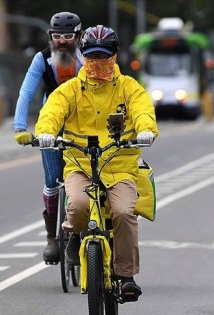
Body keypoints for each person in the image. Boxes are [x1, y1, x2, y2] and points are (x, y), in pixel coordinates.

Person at [34, 25, 159, 300]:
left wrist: (146, 129)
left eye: (104, 56)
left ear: (115, 56)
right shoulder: (70, 90)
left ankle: (127, 275)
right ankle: (75, 236)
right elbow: (52, 111)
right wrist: (45, 132)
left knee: (124, 212)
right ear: (83, 56)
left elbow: (142, 110)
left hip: (119, 168)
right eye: (92, 57)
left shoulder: (129, 88)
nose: (98, 63)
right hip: (80, 165)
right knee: (77, 204)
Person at [13, 12, 84, 264]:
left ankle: (87, 229)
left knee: (92, 177)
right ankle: (52, 238)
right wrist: (20, 127)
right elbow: (26, 92)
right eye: (57, 36)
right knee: (53, 181)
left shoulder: (86, 58)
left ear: (78, 36)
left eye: (68, 36)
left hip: (83, 124)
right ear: (50, 37)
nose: (62, 41)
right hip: (50, 124)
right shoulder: (41, 60)